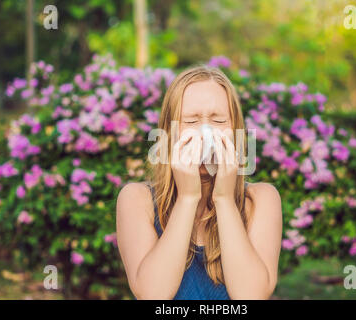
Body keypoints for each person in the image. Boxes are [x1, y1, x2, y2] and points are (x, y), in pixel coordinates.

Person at [116, 64, 282, 300]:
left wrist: (224, 199)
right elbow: (153, 295)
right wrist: (187, 198)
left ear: (236, 130)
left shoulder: (261, 200)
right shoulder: (136, 199)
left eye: (218, 120)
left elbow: (251, 297)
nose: (206, 133)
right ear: (168, 134)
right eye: (192, 122)